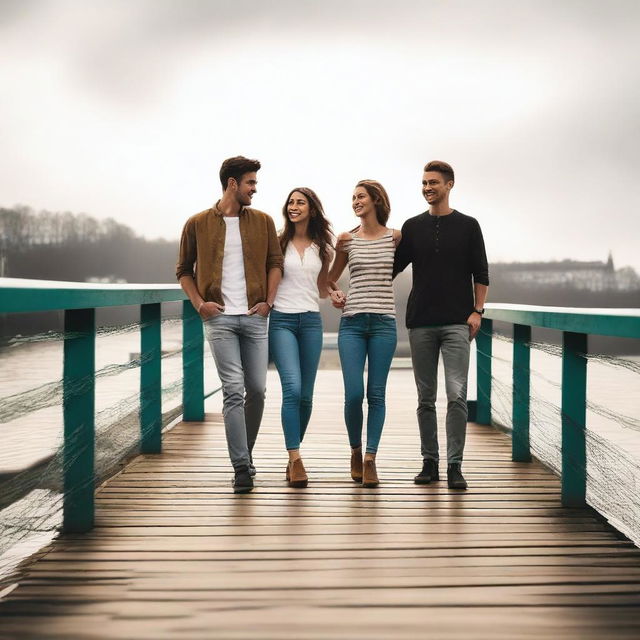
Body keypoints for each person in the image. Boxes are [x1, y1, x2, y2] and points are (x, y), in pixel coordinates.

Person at [176, 156, 283, 494]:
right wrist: (199, 304)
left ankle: (245, 456)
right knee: (233, 389)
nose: (255, 188)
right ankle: (241, 467)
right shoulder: (196, 223)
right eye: (250, 182)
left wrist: (269, 302)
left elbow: (274, 263)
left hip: (254, 317)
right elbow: (183, 270)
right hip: (219, 318)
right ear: (232, 183)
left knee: (258, 390)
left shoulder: (263, 222)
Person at [393, 160, 489, 490]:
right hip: (420, 322)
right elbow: (389, 268)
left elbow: (482, 273)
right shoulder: (412, 227)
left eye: (433, 182)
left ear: (449, 185)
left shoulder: (468, 225)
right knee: (425, 397)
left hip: (457, 323)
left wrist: (477, 311)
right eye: (423, 182)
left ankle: (455, 465)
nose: (427, 187)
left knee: (457, 395)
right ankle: (429, 462)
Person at [328, 180, 401, 488]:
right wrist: (335, 294)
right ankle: (355, 451)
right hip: (353, 324)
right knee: (354, 394)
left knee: (377, 394)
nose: (356, 202)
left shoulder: (396, 238)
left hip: (385, 323)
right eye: (353, 198)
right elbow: (329, 280)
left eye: (361, 197)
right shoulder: (346, 239)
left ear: (376, 200)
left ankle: (371, 458)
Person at [269, 187, 334, 488]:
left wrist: (334, 292)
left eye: (300, 202)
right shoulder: (276, 243)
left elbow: (321, 288)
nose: (294, 207)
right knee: (292, 389)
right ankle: (296, 458)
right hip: (281, 320)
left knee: (306, 395)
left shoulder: (324, 248)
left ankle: (292, 456)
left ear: (312, 209)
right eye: (291, 202)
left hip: (310, 322)